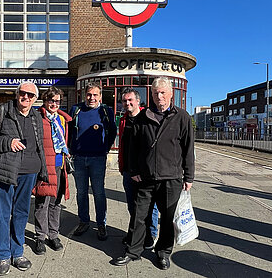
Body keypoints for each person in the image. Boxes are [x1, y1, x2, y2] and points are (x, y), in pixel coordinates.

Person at [113, 77, 195, 270]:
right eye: (156, 93)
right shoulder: (142, 117)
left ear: (171, 93)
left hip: (171, 178)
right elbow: (132, 148)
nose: (159, 97)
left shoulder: (182, 117)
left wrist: (189, 177)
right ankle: (133, 251)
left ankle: (163, 253)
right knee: (139, 216)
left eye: (163, 92)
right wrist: (133, 170)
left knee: (167, 219)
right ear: (151, 95)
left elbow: (188, 149)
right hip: (146, 178)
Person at [0, 81, 48, 276]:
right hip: (4, 170)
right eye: (22, 93)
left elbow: (40, 146)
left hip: (29, 172)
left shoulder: (36, 116)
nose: (25, 97)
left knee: (21, 213)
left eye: (30, 95)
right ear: (17, 94)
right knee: (2, 213)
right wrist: (8, 142)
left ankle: (18, 252)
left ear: (35, 99)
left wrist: (42, 169)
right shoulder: (2, 111)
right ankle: (2, 255)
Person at [68, 82, 117, 240]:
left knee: (99, 193)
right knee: (81, 193)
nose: (92, 98)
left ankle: (101, 224)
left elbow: (113, 132)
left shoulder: (106, 111)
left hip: (97, 159)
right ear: (85, 95)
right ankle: (84, 221)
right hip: (79, 159)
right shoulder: (76, 110)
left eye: (95, 95)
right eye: (89, 94)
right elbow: (69, 131)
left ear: (100, 96)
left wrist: (105, 149)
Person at [118, 88, 159, 249]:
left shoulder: (148, 118)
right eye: (124, 101)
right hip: (128, 170)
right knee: (132, 205)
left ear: (137, 101)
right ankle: (135, 232)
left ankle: (151, 234)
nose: (127, 103)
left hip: (145, 172)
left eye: (130, 100)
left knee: (150, 206)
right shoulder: (123, 120)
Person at [33, 86, 72, 255]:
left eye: (57, 101)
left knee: (56, 203)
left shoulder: (61, 120)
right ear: (45, 100)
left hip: (59, 165)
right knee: (42, 203)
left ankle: (53, 235)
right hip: (44, 167)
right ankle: (40, 237)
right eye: (51, 100)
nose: (54, 104)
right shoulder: (38, 118)